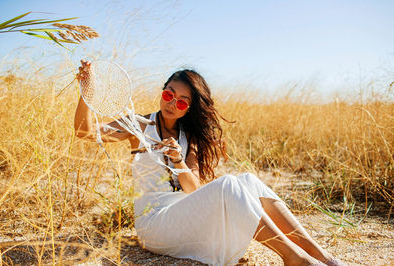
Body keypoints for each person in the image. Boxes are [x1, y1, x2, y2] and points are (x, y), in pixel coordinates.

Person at [74, 60, 345, 266]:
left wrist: (178, 159)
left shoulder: (187, 138)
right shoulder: (137, 125)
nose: (172, 104)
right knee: (228, 183)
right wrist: (87, 90)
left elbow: (193, 189)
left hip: (184, 216)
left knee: (247, 180)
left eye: (182, 102)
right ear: (163, 92)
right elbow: (84, 132)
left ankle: (320, 255)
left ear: (189, 108)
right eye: (169, 95)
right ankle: (293, 258)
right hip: (154, 226)